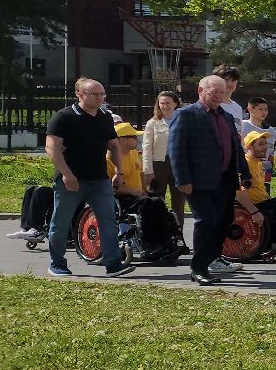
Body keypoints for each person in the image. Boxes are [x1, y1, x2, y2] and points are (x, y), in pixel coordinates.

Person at [41, 78, 133, 278]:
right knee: (61, 222)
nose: (100, 98)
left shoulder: (105, 117)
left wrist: (119, 171)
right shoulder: (64, 117)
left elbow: (114, 145)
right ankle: (57, 264)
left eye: (102, 94)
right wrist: (67, 174)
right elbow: (51, 148)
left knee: (108, 221)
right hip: (71, 180)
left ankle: (113, 264)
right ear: (80, 94)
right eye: (95, 94)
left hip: (99, 180)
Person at [169, 74, 254, 285]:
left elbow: (235, 147)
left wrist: (245, 173)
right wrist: (182, 179)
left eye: (222, 92)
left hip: (224, 179)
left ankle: (212, 259)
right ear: (200, 91)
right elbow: (176, 150)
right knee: (206, 220)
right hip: (198, 180)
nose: (218, 96)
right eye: (214, 91)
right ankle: (198, 268)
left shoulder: (226, 116)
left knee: (222, 221)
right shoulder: (186, 115)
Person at [110, 121, 182, 260]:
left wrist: (145, 190)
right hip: (121, 197)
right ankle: (148, 244)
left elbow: (141, 175)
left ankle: (165, 241)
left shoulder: (134, 154)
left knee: (157, 201)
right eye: (134, 137)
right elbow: (110, 186)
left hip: (137, 197)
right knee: (146, 203)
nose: (137, 140)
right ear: (122, 140)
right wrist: (133, 191)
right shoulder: (110, 158)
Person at [140, 90, 185, 227]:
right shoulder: (152, 123)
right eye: (162, 103)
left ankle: (178, 232)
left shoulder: (183, 121)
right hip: (159, 165)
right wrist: (148, 171)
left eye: (168, 103)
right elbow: (147, 148)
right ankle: (158, 232)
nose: (165, 106)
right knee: (156, 201)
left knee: (178, 203)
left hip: (178, 165)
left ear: (175, 104)